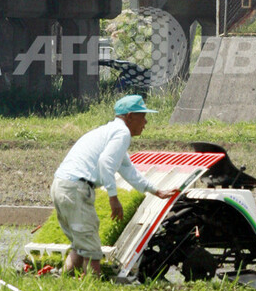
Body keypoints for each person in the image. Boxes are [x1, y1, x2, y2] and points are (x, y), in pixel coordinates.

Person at [50, 94, 177, 276]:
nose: (146, 122)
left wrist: (156, 191)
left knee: (80, 245)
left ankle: (62, 282)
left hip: (61, 186)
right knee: (92, 251)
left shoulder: (109, 132)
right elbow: (105, 163)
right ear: (130, 116)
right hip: (75, 188)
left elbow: (128, 170)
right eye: (143, 116)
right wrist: (113, 197)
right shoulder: (121, 133)